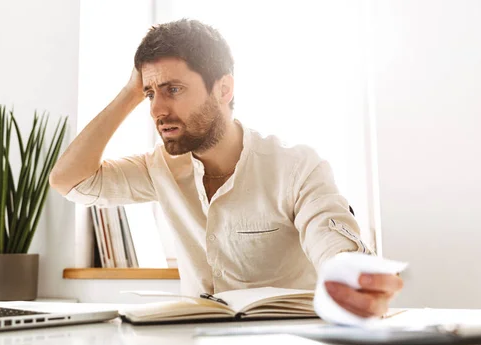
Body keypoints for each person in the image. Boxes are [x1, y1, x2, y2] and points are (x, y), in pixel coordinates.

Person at [49, 19, 403, 318]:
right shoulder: (159, 168)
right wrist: (131, 90)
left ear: (223, 89)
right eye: (150, 94)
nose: (157, 109)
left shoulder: (296, 166)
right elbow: (69, 180)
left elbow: (331, 240)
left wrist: (350, 275)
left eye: (173, 89)